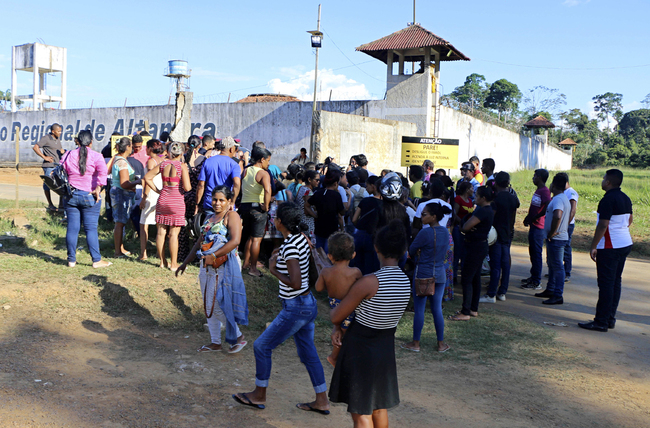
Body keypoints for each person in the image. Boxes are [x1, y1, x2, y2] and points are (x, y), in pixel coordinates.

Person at [233, 202, 330, 414]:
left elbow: (294, 282)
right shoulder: (300, 239)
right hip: (307, 303)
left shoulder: (292, 245)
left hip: (296, 307)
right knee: (308, 354)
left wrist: (273, 269)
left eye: (274, 217)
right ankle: (322, 400)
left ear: (278, 222)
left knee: (261, 346)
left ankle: (259, 394)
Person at [329, 220, 411, 427]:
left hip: (360, 348)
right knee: (378, 406)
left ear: (376, 248)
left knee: (360, 412)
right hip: (384, 347)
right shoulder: (405, 281)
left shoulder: (369, 282)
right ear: (403, 251)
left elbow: (336, 316)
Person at [176, 185, 248, 352]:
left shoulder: (232, 216)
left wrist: (214, 256)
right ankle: (215, 342)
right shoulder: (209, 217)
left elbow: (235, 241)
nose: (217, 203)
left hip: (225, 265)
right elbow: (199, 242)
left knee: (216, 303)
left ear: (229, 201)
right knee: (208, 303)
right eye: (214, 199)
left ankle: (237, 336)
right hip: (206, 264)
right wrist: (186, 262)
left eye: (221, 200)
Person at [578, 169, 633, 332]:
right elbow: (630, 220)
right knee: (615, 282)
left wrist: (593, 245)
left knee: (606, 284)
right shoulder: (625, 197)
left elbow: (603, 225)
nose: (602, 181)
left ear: (608, 182)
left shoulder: (607, 199)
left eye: (603, 179)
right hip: (624, 243)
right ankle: (609, 318)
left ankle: (600, 321)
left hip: (610, 246)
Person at [402, 202, 451, 353]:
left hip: (423, 272)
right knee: (437, 309)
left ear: (433, 217)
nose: (421, 217)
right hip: (439, 274)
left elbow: (411, 249)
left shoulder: (425, 233)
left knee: (420, 309)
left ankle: (416, 343)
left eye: (424, 214)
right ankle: (441, 344)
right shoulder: (445, 232)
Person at [61, 130, 111, 268]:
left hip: (71, 195)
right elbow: (103, 172)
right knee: (91, 229)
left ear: (77, 141)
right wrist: (98, 189)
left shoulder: (68, 154)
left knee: (72, 228)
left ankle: (71, 260)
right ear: (91, 142)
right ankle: (96, 260)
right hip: (90, 196)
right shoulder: (96, 156)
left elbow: (60, 169)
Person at [315, 232, 362, 366]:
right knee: (346, 336)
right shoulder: (355, 272)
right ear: (353, 255)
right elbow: (362, 290)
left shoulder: (326, 271)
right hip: (349, 307)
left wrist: (323, 273)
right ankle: (336, 358)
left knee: (342, 332)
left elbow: (318, 288)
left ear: (330, 256)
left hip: (335, 306)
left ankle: (336, 357)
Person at [449, 186, 494, 321]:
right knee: (475, 279)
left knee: (467, 279)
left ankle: (465, 311)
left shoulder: (482, 211)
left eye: (477, 196)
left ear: (483, 198)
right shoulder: (488, 210)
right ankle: (473, 309)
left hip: (474, 247)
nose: (474, 198)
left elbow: (465, 226)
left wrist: (464, 226)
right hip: (480, 245)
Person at [144, 142, 191, 271]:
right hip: (176, 201)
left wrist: (159, 190)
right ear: (181, 153)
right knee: (173, 234)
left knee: (161, 232)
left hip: (163, 198)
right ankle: (174, 264)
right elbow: (187, 187)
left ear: (169, 152)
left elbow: (147, 177)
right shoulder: (182, 166)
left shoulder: (163, 164)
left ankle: (162, 261)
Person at [479, 172, 520, 303]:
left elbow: (492, 217)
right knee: (505, 264)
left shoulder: (495, 199)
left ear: (495, 183)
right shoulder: (513, 198)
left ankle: (491, 294)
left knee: (496, 265)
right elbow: (513, 217)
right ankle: (502, 292)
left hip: (495, 235)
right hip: (507, 233)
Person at [534, 174, 571, 305]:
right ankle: (550, 289)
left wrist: (552, 232)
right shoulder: (562, 198)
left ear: (554, 185)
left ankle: (558, 294)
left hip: (557, 238)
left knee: (557, 266)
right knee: (552, 264)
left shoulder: (558, 199)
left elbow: (558, 215)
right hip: (556, 237)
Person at [240, 147, 272, 277]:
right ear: (262, 159)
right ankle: (253, 268)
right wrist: (266, 206)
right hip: (257, 208)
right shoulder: (263, 173)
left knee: (250, 237)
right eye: (268, 160)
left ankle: (246, 264)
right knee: (257, 240)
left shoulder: (246, 171)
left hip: (245, 207)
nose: (268, 163)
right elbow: (268, 190)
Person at [110, 137, 142, 258]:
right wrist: (138, 182)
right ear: (128, 147)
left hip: (120, 193)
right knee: (120, 223)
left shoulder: (118, 159)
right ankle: (117, 252)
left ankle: (120, 248)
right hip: (121, 193)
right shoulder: (122, 162)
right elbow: (124, 183)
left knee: (120, 222)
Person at [521, 169, 551, 290]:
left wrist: (536, 217)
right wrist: (528, 217)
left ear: (540, 178)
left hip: (539, 226)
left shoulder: (544, 191)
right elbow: (534, 207)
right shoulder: (539, 190)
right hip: (534, 224)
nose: (533, 178)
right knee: (532, 252)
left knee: (536, 253)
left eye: (535, 176)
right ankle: (533, 276)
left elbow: (547, 205)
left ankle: (536, 281)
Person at [196, 136, 242, 215]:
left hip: (210, 203)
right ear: (231, 149)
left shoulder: (208, 161)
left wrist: (197, 203)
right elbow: (237, 184)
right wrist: (232, 202)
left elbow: (201, 185)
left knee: (209, 227)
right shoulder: (234, 165)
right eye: (235, 148)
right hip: (225, 205)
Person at [306, 168, 345, 252]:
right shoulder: (336, 195)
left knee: (320, 251)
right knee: (328, 254)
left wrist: (315, 215)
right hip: (331, 228)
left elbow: (307, 205)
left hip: (319, 227)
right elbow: (341, 212)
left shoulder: (318, 193)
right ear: (335, 183)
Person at [138, 139, 165, 260]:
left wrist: (144, 197)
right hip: (161, 193)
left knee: (144, 224)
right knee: (160, 226)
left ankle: (143, 253)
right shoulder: (163, 160)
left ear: (150, 148)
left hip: (152, 194)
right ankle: (160, 253)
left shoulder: (151, 162)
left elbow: (149, 181)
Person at [351, 175, 383, 275]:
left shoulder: (365, 200)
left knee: (357, 262)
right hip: (373, 236)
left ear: (373, 186)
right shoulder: (385, 204)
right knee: (369, 264)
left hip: (359, 234)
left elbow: (354, 219)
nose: (366, 188)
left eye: (367, 185)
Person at [34, 123, 65, 212]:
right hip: (49, 166)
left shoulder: (57, 139)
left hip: (58, 166)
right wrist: (45, 157)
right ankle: (50, 204)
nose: (60, 133)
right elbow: (35, 147)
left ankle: (61, 205)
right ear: (53, 131)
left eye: (60, 131)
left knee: (61, 184)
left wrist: (62, 152)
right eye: (58, 131)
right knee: (48, 184)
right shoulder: (46, 138)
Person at [452, 181, 475, 283]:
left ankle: (464, 275)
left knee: (465, 253)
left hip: (467, 230)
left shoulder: (470, 201)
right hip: (458, 228)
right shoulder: (458, 199)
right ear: (466, 189)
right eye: (471, 188)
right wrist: (462, 222)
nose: (473, 190)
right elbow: (454, 213)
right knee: (457, 252)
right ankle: (454, 275)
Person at [559, 172, 579, 281]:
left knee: (566, 248)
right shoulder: (563, 192)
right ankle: (559, 270)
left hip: (567, 225)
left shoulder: (571, 193)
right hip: (561, 224)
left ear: (566, 182)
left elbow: (573, 210)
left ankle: (566, 272)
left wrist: (565, 225)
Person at [297, 169, 320, 241]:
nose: (318, 182)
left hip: (301, 220)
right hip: (307, 222)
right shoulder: (308, 191)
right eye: (317, 180)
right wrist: (316, 216)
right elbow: (307, 209)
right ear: (309, 179)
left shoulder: (301, 188)